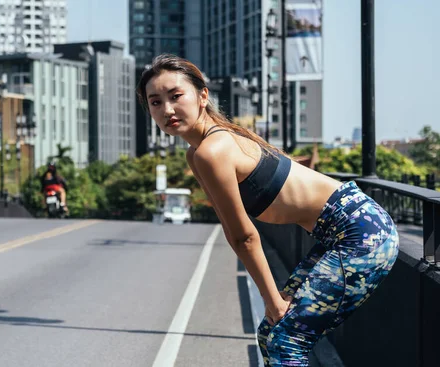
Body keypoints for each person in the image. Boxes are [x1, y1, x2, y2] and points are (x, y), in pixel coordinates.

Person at [136, 54, 399, 366]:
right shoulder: (198, 154)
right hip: (342, 232)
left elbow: (244, 237)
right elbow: (232, 228)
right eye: (155, 102)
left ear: (202, 95)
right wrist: (272, 303)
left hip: (363, 232)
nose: (166, 110)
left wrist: (271, 299)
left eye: (175, 96)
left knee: (285, 341)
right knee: (271, 333)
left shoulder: (212, 150)